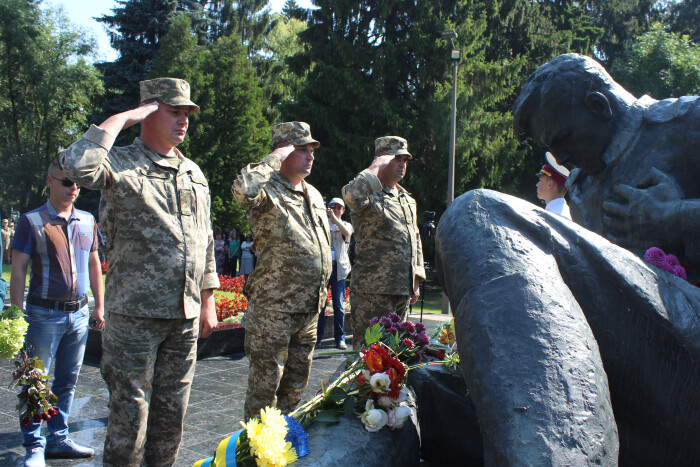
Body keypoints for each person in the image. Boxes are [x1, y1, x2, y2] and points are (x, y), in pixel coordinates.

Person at [60, 77, 219, 466]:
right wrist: (124, 118)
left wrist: (209, 298)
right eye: (173, 111)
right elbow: (77, 165)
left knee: (171, 418)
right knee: (129, 420)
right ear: (149, 110)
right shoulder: (118, 163)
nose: (183, 121)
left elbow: (206, 238)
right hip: (135, 315)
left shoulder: (194, 172)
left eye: (187, 114)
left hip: (183, 315)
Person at [232, 121, 331, 421]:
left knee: (295, 393)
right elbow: (243, 191)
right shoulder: (266, 190)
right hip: (274, 311)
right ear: (283, 151)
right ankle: (255, 456)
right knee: (264, 395)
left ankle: (285, 450)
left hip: (309, 310)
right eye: (301, 149)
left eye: (312, 149)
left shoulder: (313, 194)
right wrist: (274, 158)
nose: (310, 155)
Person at [10, 160, 104, 467]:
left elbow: (94, 264)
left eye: (77, 182)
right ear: (49, 181)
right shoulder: (32, 220)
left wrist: (99, 305)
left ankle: (59, 438)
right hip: (42, 314)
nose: (73, 187)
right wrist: (16, 311)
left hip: (78, 314)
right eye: (66, 182)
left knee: (67, 380)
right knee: (35, 381)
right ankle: (34, 446)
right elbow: (19, 268)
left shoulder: (88, 220)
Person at [342, 136, 426, 349]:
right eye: (397, 159)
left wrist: (416, 277)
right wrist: (376, 165)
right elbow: (350, 196)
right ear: (383, 159)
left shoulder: (407, 199)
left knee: (395, 354)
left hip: (401, 289)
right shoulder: (369, 193)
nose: (402, 164)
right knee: (368, 354)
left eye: (405, 160)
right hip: (374, 290)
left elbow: (414, 238)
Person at [316, 197, 353, 349]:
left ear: (343, 210)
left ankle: (340, 338)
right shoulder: (322, 224)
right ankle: (317, 338)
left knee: (338, 305)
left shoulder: (345, 224)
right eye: (333, 206)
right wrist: (325, 218)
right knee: (320, 305)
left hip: (339, 268)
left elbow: (347, 233)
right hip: (324, 268)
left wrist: (333, 219)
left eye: (339, 207)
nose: (336, 209)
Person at [535, 151, 571, 220]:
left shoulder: (557, 216)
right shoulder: (555, 210)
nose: (537, 184)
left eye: (540, 181)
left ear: (550, 184)